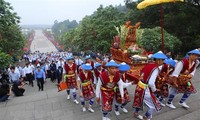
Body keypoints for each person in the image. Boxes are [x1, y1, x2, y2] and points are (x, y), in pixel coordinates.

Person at [133, 51, 167, 120]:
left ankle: (136, 113)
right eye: (163, 60)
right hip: (145, 89)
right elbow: (151, 83)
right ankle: (146, 117)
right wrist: (154, 90)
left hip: (139, 86)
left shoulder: (149, 64)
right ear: (158, 60)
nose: (163, 62)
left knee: (139, 100)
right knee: (154, 105)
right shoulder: (155, 68)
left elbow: (141, 72)